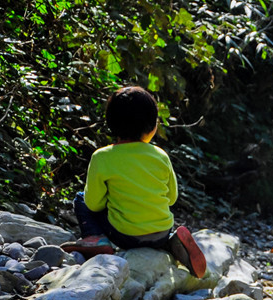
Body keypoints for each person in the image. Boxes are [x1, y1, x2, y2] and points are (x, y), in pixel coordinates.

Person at [64, 86, 206, 279]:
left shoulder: (102, 157)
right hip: (161, 230)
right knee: (153, 224)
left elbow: (94, 204)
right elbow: (171, 199)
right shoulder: (160, 156)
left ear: (112, 124)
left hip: (124, 235)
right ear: (152, 127)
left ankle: (96, 238)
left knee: (81, 199)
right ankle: (169, 243)